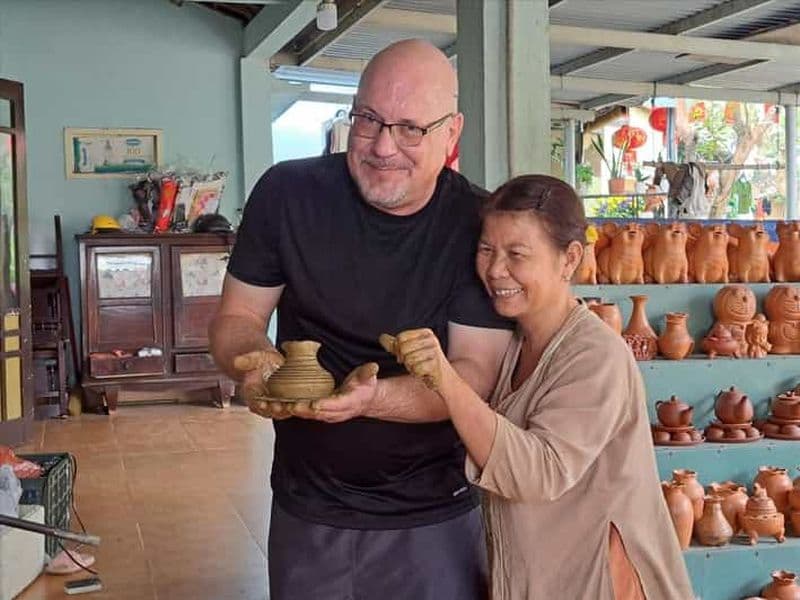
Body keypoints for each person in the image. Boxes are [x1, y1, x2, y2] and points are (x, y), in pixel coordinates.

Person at [208, 39, 512, 600]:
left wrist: (368, 401)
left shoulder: (479, 225)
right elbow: (237, 316)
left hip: (432, 512)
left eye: (410, 128)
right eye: (368, 120)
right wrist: (252, 361)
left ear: (452, 132)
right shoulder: (288, 194)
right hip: (308, 505)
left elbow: (474, 377)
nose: (382, 146)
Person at [389, 175, 695, 599]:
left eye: (517, 254)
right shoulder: (517, 343)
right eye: (486, 250)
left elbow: (539, 474)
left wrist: (447, 381)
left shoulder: (595, 355)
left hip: (600, 583)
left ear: (569, 259)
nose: (496, 270)